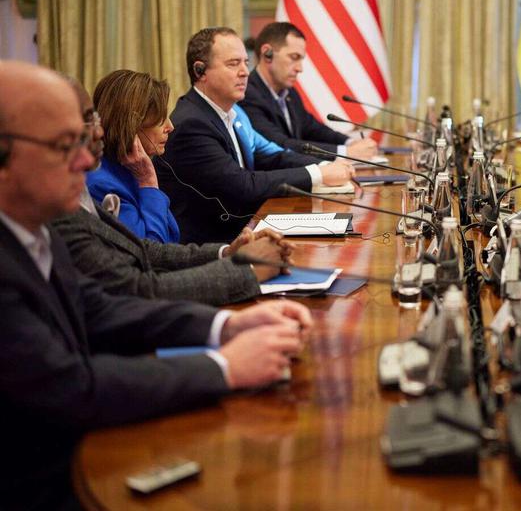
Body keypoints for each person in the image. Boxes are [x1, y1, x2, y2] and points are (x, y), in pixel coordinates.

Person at [0, 60, 312, 508]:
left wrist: (224, 327)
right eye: (65, 144)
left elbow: (103, 308)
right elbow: (70, 387)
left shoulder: (37, 229)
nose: (88, 159)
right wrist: (225, 367)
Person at [53, 79, 291, 306]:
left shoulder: (125, 172)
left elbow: (147, 251)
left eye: (94, 119)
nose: (171, 126)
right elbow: (143, 271)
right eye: (87, 123)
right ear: (132, 126)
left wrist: (227, 252)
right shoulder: (99, 184)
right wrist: (245, 269)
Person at [157, 26, 355, 243]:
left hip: (243, 231)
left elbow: (271, 157)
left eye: (246, 63)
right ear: (200, 71)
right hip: (211, 248)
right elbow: (242, 185)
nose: (244, 72)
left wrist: (327, 167)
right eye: (233, 64)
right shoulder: (191, 124)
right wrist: (318, 174)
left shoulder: (230, 114)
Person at [240, 21, 378, 160]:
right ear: (267, 53)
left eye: (301, 59)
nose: (300, 68)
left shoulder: (290, 93)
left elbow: (313, 128)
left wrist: (350, 142)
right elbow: (280, 145)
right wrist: (346, 152)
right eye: (294, 57)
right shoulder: (247, 94)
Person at [86, 69, 180, 243]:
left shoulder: (132, 168)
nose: (170, 126)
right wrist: (148, 183)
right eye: (161, 119)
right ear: (132, 125)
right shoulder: (102, 186)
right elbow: (151, 254)